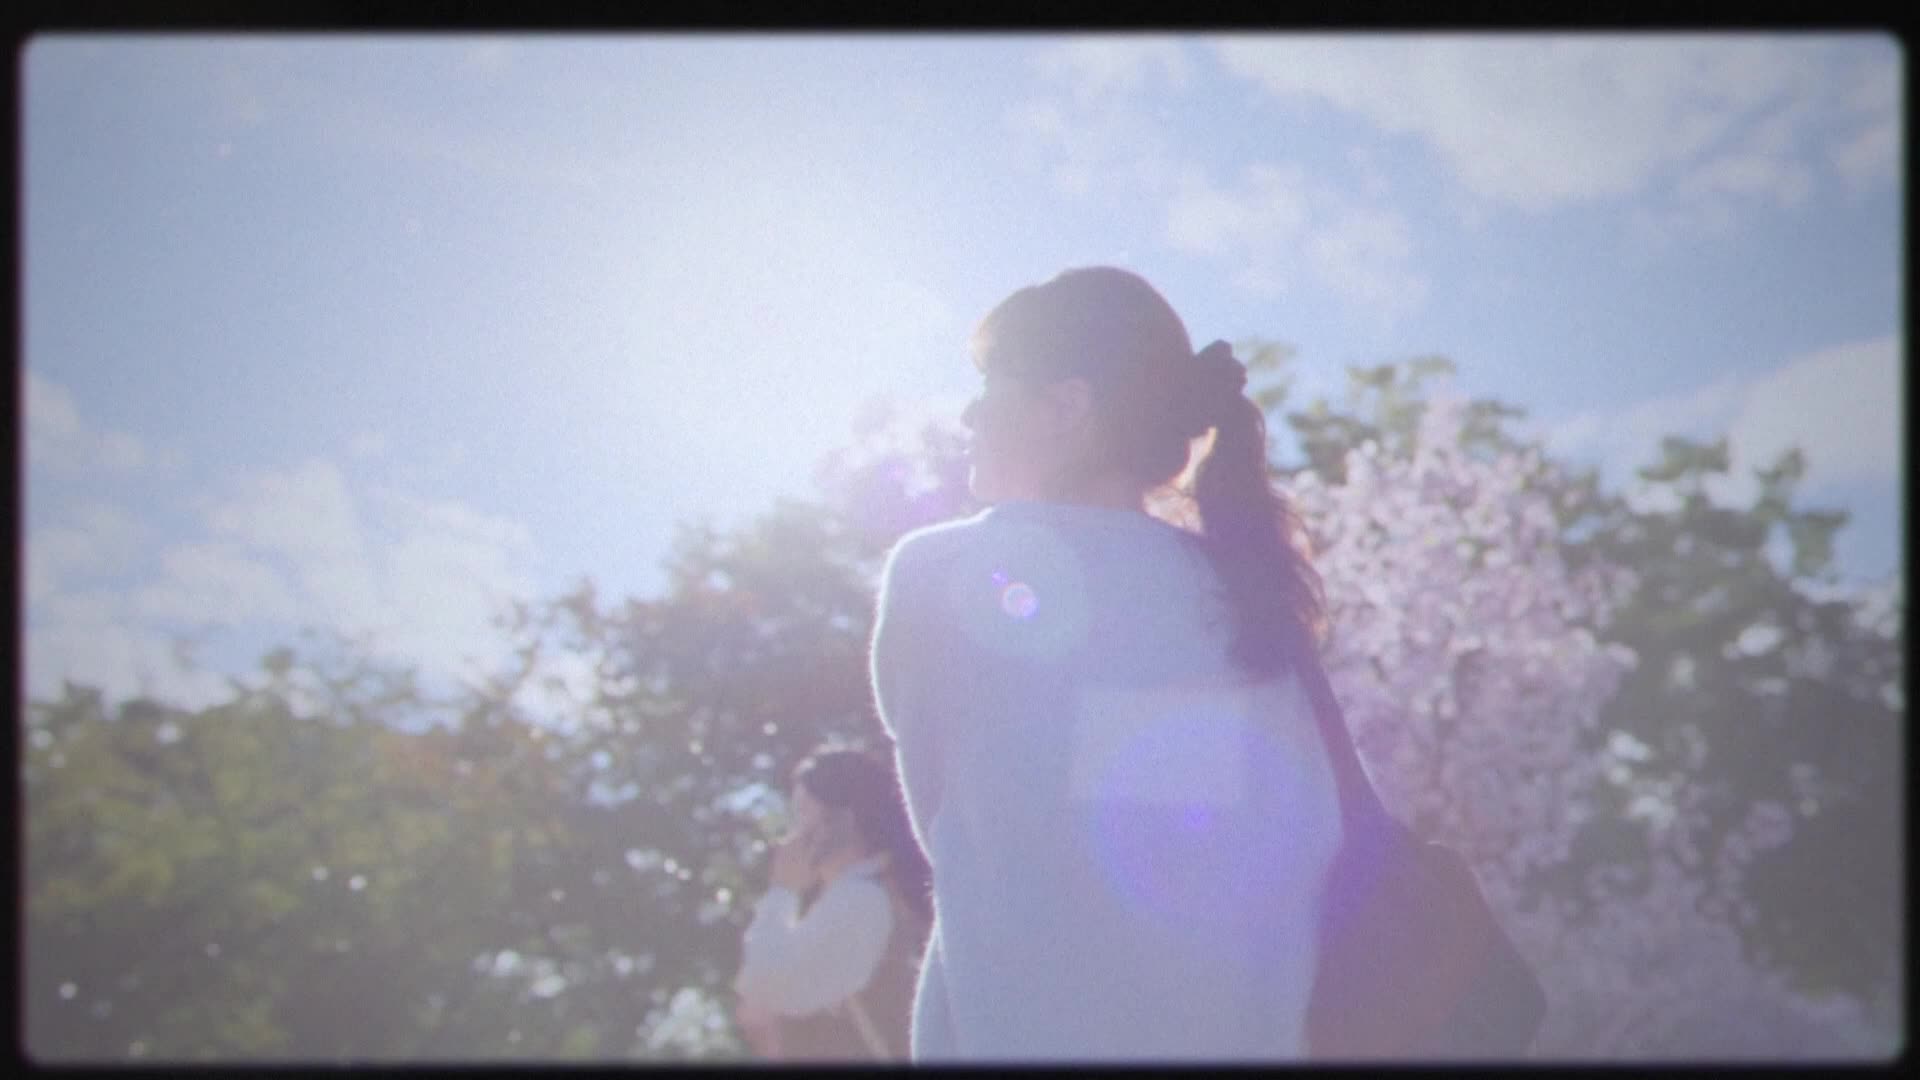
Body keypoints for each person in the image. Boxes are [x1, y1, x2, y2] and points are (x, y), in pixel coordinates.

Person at [869, 266, 1345, 1061]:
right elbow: (1305, 840)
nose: (969, 413)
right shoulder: (1246, 588)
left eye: (990, 385)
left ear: (1065, 408)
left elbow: (943, 815)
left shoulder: (940, 571)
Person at [732, 747, 933, 1061]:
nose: (793, 835)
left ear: (843, 819)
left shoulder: (861, 900)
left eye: (802, 814)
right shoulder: (872, 892)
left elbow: (766, 984)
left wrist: (782, 891)